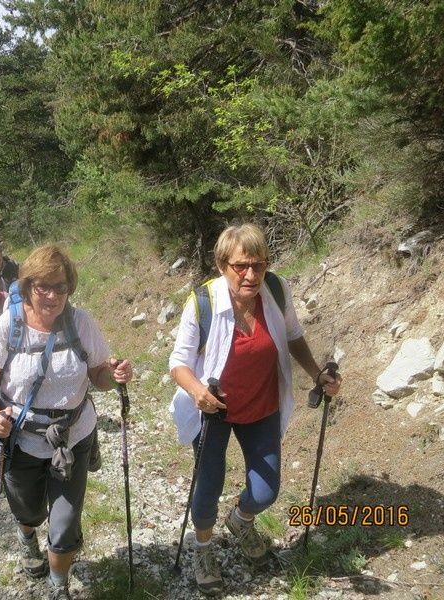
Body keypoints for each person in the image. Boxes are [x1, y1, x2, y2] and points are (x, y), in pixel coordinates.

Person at [168, 223, 342, 595]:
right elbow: (178, 362)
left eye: (259, 265)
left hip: (262, 405)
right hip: (213, 409)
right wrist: (197, 390)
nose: (251, 275)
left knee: (266, 493)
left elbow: (293, 335)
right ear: (222, 264)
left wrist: (317, 374)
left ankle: (241, 520)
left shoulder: (276, 291)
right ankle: (202, 548)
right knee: (208, 486)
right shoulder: (202, 302)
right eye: (241, 266)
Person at [0, 244, 133, 600]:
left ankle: (58, 588)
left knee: (63, 525)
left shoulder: (81, 322)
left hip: (73, 438)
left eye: (61, 287)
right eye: (43, 286)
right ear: (28, 286)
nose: (53, 295)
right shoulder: (8, 327)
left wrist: (114, 374)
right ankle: (27, 536)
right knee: (28, 511)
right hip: (22, 440)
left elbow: (99, 378)